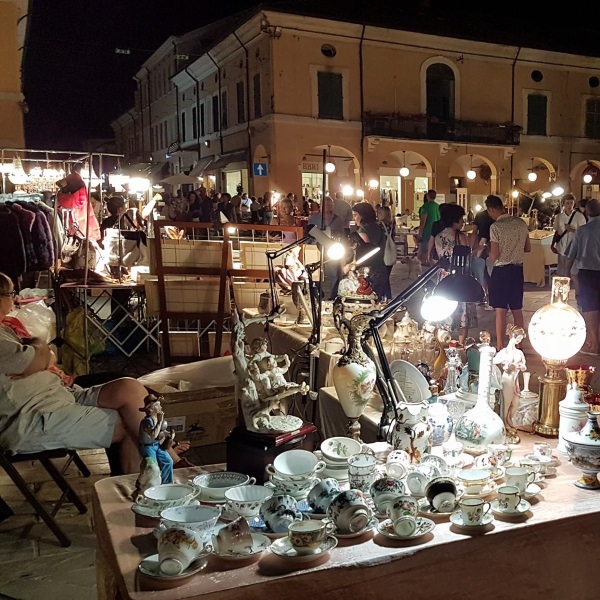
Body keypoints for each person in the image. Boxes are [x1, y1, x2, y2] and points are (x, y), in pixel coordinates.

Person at [0, 272, 192, 475]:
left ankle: (171, 459)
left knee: (129, 387)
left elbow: (48, 355)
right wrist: (40, 348)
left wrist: (40, 351)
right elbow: (41, 357)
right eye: (11, 293)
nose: (15, 298)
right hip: (31, 418)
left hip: (58, 396)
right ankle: (149, 483)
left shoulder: (5, 329)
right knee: (135, 425)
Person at [485, 194, 531, 350]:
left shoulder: (496, 227)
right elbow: (528, 248)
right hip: (517, 270)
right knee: (517, 309)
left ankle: (500, 345)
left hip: (501, 271)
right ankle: (519, 344)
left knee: (500, 310)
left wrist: (486, 258)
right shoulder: (520, 223)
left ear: (492, 209)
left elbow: (494, 254)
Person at [433, 203, 477, 343]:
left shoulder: (438, 236)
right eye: (461, 219)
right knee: (462, 310)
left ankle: (443, 341)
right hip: (460, 277)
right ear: (454, 220)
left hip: (443, 276)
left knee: (444, 308)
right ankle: (461, 344)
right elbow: (467, 255)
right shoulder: (460, 236)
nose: (463, 222)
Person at [566, 198, 600, 355]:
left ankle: (594, 344)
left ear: (587, 211)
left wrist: (566, 273)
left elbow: (571, 254)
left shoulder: (582, 231)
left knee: (590, 307)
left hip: (588, 272)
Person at [351, 201, 390, 300]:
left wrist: (351, 266)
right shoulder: (378, 227)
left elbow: (363, 252)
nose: (354, 218)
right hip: (381, 268)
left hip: (368, 271)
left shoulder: (363, 231)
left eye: (355, 215)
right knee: (379, 300)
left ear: (363, 216)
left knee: (367, 301)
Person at [307, 196, 345, 298]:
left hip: (333, 249)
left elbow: (342, 234)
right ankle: (318, 294)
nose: (329, 207)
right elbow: (308, 233)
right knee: (316, 272)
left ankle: (333, 295)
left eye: (331, 205)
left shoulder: (337, 219)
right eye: (327, 205)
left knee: (333, 273)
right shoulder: (314, 218)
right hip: (316, 248)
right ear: (321, 206)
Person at [56, 163, 101, 241]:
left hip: (81, 233)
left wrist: (59, 193)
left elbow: (64, 201)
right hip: (87, 231)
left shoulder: (75, 198)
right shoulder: (82, 193)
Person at [551, 193, 586, 276]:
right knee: (561, 269)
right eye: (567, 203)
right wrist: (552, 244)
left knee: (572, 271)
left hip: (573, 247)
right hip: (561, 246)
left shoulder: (579, 216)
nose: (570, 205)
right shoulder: (559, 217)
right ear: (563, 203)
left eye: (571, 203)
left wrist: (572, 230)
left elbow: (583, 233)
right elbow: (557, 231)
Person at [469, 206, 495, 308]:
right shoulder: (497, 216)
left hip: (480, 246)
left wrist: (471, 248)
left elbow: (474, 232)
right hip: (493, 246)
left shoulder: (479, 216)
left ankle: (482, 295)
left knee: (480, 273)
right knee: (491, 272)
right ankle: (491, 297)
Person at [417, 189, 440, 266]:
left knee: (424, 253)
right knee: (432, 252)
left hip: (427, 233)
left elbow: (423, 222)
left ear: (427, 196)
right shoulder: (438, 206)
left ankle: (426, 268)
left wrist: (420, 233)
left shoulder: (425, 207)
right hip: (436, 232)